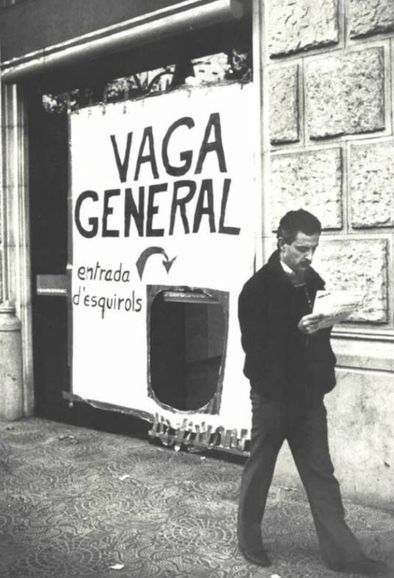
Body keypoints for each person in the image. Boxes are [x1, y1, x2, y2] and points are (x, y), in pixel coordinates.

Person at [237, 209, 389, 576]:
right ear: (282, 244)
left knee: (321, 474)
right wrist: (297, 331)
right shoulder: (256, 288)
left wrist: (327, 320)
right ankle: (249, 539)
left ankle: (344, 555)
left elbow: (317, 338)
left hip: (307, 398)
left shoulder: (313, 280)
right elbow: (255, 350)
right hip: (273, 398)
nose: (309, 256)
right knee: (260, 470)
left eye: (314, 248)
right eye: (302, 248)